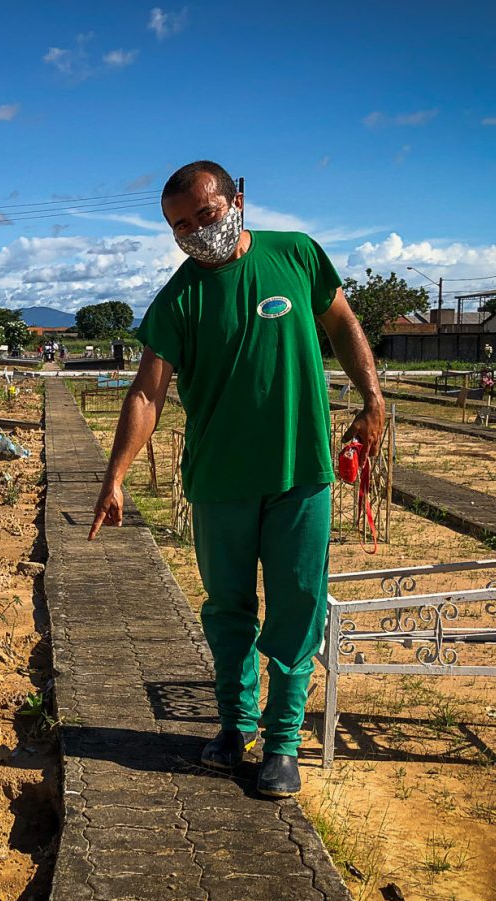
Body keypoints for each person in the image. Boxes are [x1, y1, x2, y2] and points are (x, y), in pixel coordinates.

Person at [88, 160, 383, 798]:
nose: (196, 232)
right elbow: (148, 392)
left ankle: (281, 745)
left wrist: (373, 398)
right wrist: (115, 476)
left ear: (238, 199)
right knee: (228, 611)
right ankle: (234, 727)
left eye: (205, 215)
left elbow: (343, 324)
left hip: (300, 472)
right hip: (219, 481)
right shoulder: (179, 299)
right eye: (180, 226)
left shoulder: (297, 256)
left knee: (297, 606)